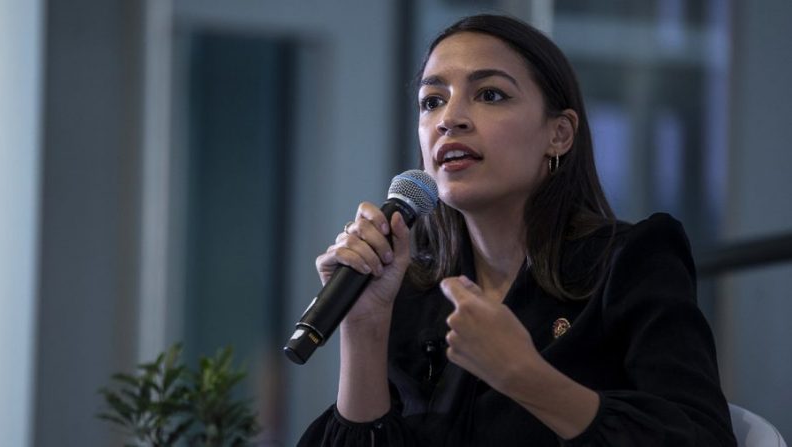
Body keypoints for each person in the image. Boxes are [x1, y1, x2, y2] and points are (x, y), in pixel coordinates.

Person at [298, 14, 736, 446]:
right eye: (432, 101)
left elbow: (703, 437)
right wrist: (365, 325)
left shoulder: (633, 262)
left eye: (489, 94)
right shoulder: (411, 288)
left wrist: (526, 377)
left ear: (559, 135)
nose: (450, 119)